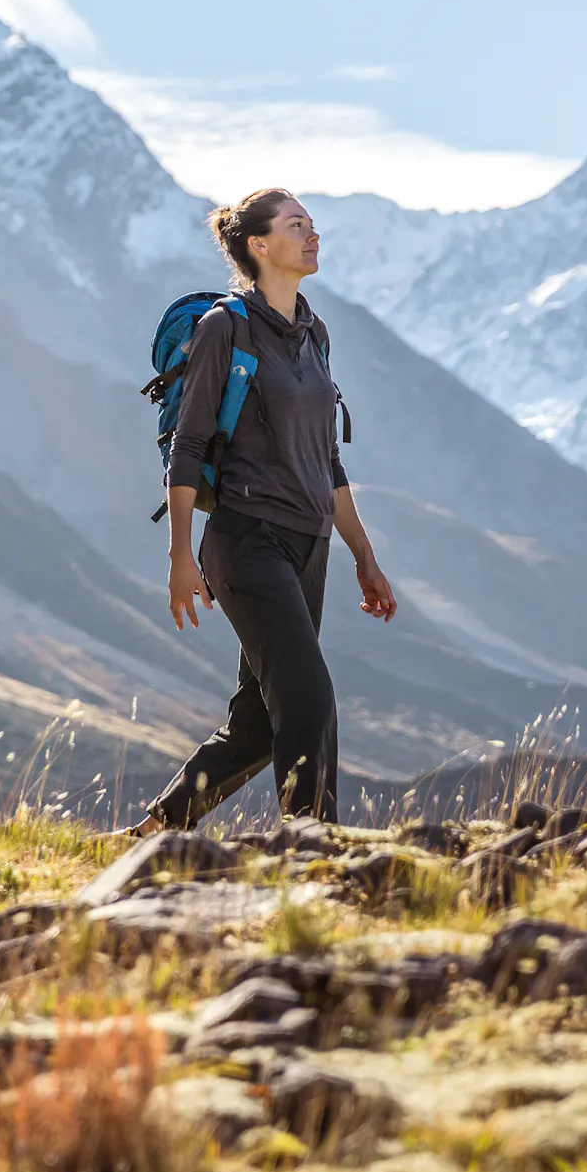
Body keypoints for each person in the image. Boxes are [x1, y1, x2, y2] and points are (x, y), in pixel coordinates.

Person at [139, 188, 396, 830]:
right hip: (246, 541)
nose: (313, 235)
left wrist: (364, 557)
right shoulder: (224, 327)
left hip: (309, 545)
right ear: (258, 245)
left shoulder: (315, 332)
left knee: (256, 726)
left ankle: (152, 833)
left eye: (313, 224)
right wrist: (177, 556)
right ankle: (312, 849)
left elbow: (328, 462)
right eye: (296, 225)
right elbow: (190, 443)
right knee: (310, 701)